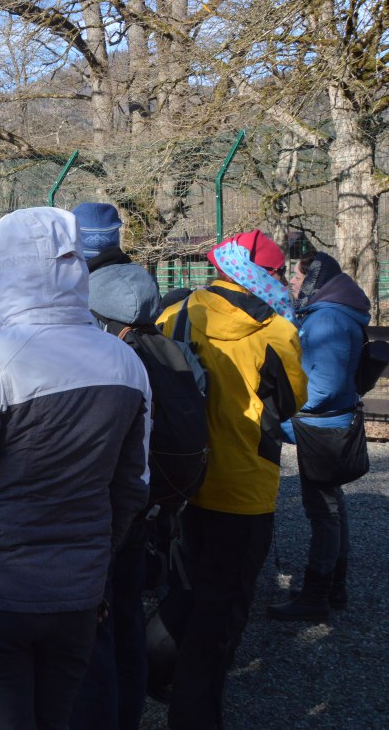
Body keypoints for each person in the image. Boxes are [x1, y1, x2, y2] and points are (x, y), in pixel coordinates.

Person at [0, 207, 151, 730]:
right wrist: (94, 559)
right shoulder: (124, 362)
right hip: (77, 595)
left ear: (3, 275)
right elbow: (132, 486)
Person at [154, 229, 306, 730]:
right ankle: (194, 716)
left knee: (182, 585)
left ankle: (154, 672)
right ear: (265, 276)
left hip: (178, 480)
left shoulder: (172, 315)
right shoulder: (277, 331)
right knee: (221, 608)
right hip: (242, 489)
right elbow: (292, 400)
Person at [69, 201, 161, 730]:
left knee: (95, 628)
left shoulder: (107, 350)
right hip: (146, 503)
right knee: (127, 618)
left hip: (104, 514)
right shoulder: (157, 331)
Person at [266, 251, 367, 622]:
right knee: (331, 507)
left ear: (314, 280)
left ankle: (317, 595)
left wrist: (283, 414)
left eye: (297, 275)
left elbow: (322, 386)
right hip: (332, 424)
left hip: (322, 429)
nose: (292, 281)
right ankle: (332, 587)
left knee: (323, 511)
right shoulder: (334, 312)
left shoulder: (326, 320)